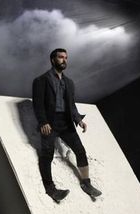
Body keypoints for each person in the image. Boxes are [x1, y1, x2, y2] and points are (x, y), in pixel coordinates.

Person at [32, 48, 102, 203]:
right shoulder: (41, 80)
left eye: (66, 57)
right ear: (53, 60)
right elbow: (38, 104)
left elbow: (71, 104)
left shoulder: (68, 82)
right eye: (61, 57)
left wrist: (78, 120)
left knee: (80, 151)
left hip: (66, 123)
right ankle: (50, 189)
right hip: (50, 123)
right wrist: (43, 122)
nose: (64, 60)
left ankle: (86, 183)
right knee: (47, 155)